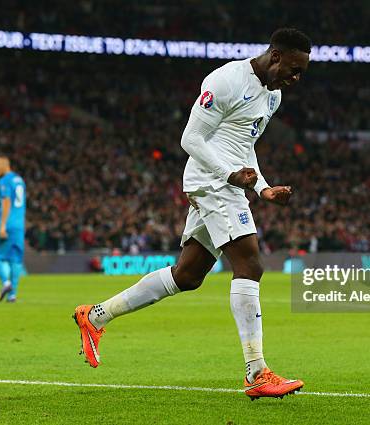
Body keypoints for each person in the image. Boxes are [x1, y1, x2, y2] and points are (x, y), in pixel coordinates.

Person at [74, 28, 311, 400]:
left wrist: (262, 187)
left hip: (229, 184)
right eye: (293, 69)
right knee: (250, 265)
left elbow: (244, 149)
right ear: (276, 56)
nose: (295, 79)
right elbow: (190, 139)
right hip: (211, 181)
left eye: (301, 73)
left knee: (187, 275)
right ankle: (257, 372)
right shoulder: (228, 80)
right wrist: (230, 176)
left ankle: (96, 315)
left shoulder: (273, 96)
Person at [0, 154, 26, 303]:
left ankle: (6, 283)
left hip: (6, 222)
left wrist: (2, 226)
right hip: (19, 224)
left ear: (5, 164)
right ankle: (12, 295)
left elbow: (6, 203)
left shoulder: (4, 180)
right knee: (15, 258)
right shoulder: (19, 180)